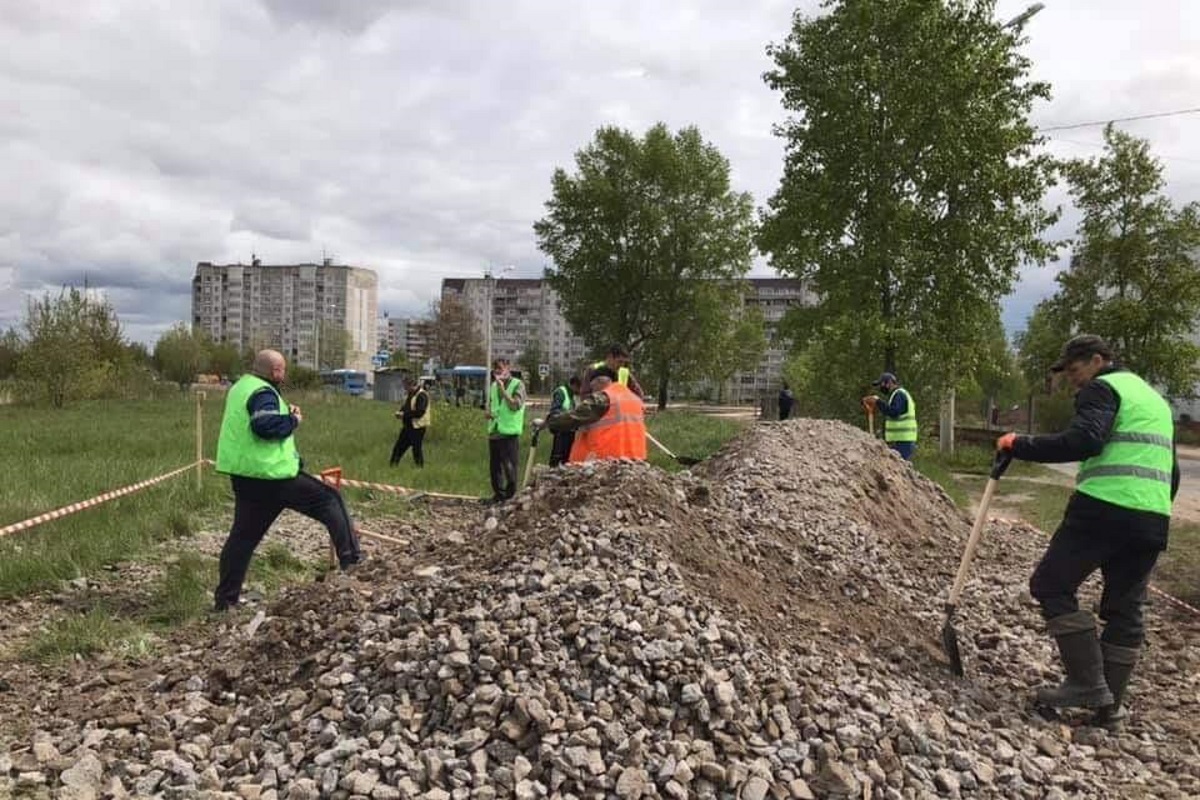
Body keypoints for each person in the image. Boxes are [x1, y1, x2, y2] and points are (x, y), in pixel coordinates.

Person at [996, 334, 1178, 725]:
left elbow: (1085, 440)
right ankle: (1109, 706)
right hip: (1151, 518)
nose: (1073, 380)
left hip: (1103, 510)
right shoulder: (1153, 400)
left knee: (1051, 584)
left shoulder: (1103, 388)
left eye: (1076, 370)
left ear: (1098, 360)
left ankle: (1085, 682)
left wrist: (1020, 444)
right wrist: (1152, 509)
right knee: (1125, 610)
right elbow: (1172, 472)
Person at [212, 349, 361, 612]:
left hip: (246, 478)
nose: (284, 374)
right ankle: (353, 562)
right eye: (282, 370)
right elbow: (264, 425)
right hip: (272, 477)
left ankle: (226, 601)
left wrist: (284, 414)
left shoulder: (241, 387)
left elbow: (255, 419)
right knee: (330, 499)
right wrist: (293, 420)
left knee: (242, 539)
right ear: (276, 371)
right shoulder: (263, 392)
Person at [546, 366, 647, 462]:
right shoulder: (634, 399)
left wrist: (549, 422)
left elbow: (574, 417)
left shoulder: (604, 398)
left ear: (599, 382)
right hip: (636, 463)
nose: (592, 392)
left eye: (592, 387)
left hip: (608, 462)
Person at [486, 358, 526, 503]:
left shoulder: (517, 384)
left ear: (508, 368)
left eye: (500, 369)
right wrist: (489, 413)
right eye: (495, 369)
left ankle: (510, 497)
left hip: (509, 433)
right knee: (495, 467)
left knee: (509, 466)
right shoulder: (493, 386)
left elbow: (515, 406)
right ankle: (498, 495)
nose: (497, 372)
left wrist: (503, 390)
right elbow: (494, 405)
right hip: (495, 431)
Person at [862, 372, 917, 460]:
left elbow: (894, 412)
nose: (881, 387)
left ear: (889, 382)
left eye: (882, 384)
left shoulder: (899, 394)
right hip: (901, 440)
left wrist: (878, 401)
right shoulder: (896, 395)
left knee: (899, 468)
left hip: (903, 441)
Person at [389, 375, 430, 468]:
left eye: (405, 387)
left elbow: (420, 412)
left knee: (416, 450)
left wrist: (404, 415)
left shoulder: (422, 395)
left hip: (418, 428)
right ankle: (392, 467)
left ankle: (420, 469)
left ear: (410, 385)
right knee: (398, 448)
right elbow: (407, 407)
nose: (404, 389)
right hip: (408, 426)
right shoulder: (411, 394)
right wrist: (400, 412)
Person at [548, 375, 582, 467]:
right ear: (574, 385)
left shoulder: (572, 395)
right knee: (557, 458)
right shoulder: (561, 392)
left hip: (569, 431)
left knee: (566, 458)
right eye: (579, 388)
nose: (580, 392)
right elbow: (554, 412)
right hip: (561, 432)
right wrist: (570, 415)